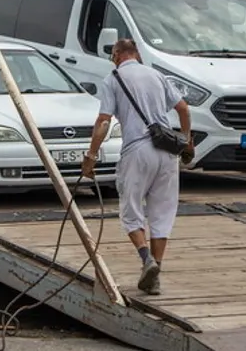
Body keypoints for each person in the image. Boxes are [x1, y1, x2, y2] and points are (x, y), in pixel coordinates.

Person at [82, 38, 192, 296]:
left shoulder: (112, 79)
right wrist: (186, 141)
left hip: (138, 150)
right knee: (162, 213)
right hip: (167, 150)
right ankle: (155, 276)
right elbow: (184, 109)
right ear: (137, 54)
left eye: (113, 55)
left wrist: (91, 155)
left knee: (131, 210)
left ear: (118, 55)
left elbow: (104, 121)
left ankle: (147, 260)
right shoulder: (156, 75)